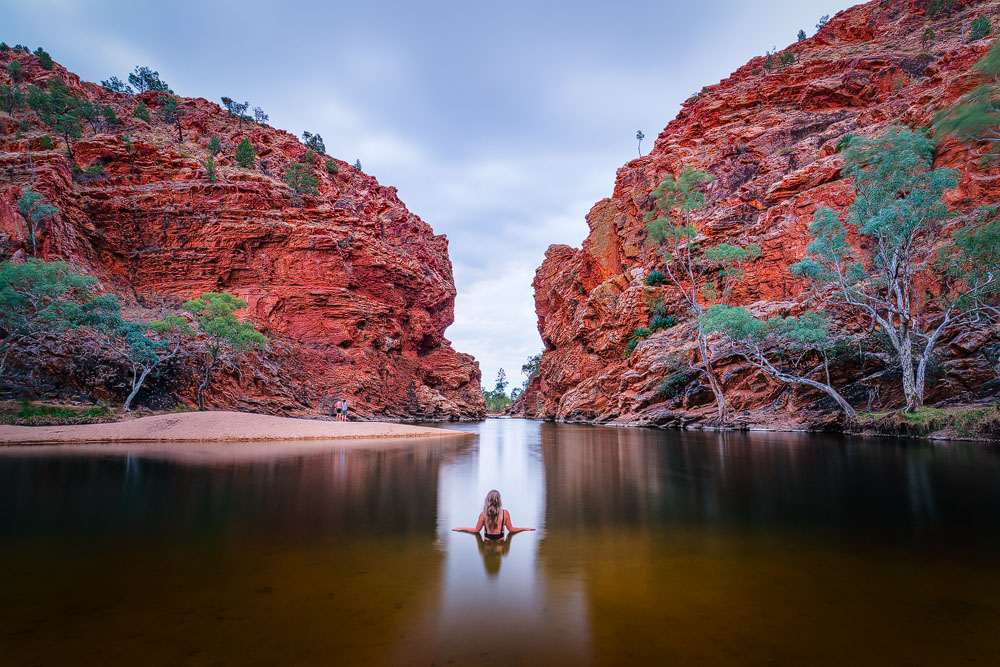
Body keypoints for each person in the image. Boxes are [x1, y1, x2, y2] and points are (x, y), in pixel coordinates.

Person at [452, 489, 535, 540]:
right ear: (499, 501)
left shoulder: (483, 515)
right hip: (500, 545)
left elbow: (476, 530)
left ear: (487, 500)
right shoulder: (505, 513)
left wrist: (461, 528)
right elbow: (511, 529)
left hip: (487, 545)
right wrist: (526, 528)